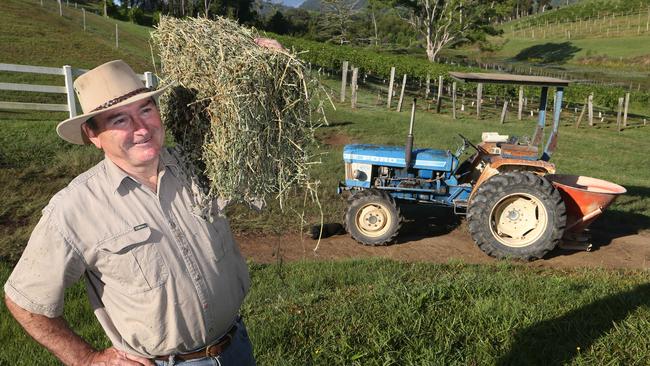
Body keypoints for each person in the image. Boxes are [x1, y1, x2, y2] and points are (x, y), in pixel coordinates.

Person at [4, 59, 256, 366]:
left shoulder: (200, 168)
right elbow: (24, 300)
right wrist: (87, 359)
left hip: (236, 349)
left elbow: (256, 141)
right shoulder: (74, 209)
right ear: (92, 135)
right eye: (120, 120)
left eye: (146, 110)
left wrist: (258, 65)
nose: (141, 128)